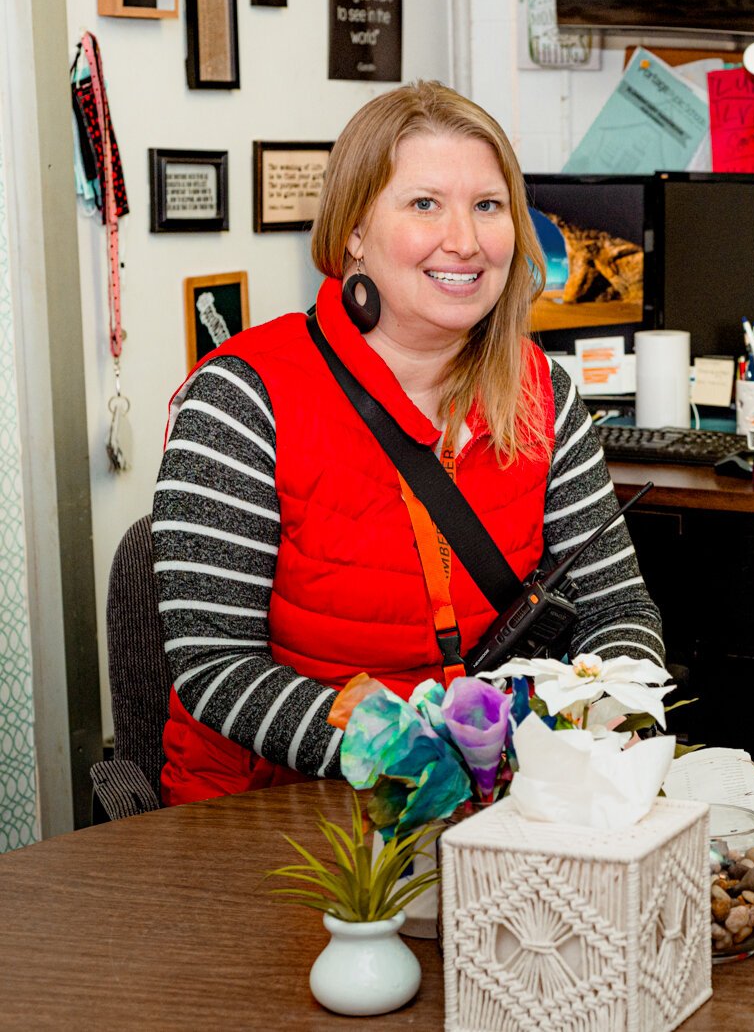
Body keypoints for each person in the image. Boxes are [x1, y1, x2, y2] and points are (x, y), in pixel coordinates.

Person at [153, 81, 663, 805]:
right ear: (355, 230)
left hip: (500, 795)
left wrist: (608, 722)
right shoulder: (240, 400)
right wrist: (416, 758)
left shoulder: (544, 395)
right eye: (425, 204)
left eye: (487, 206)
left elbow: (619, 612)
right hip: (281, 810)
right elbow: (215, 669)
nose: (464, 240)